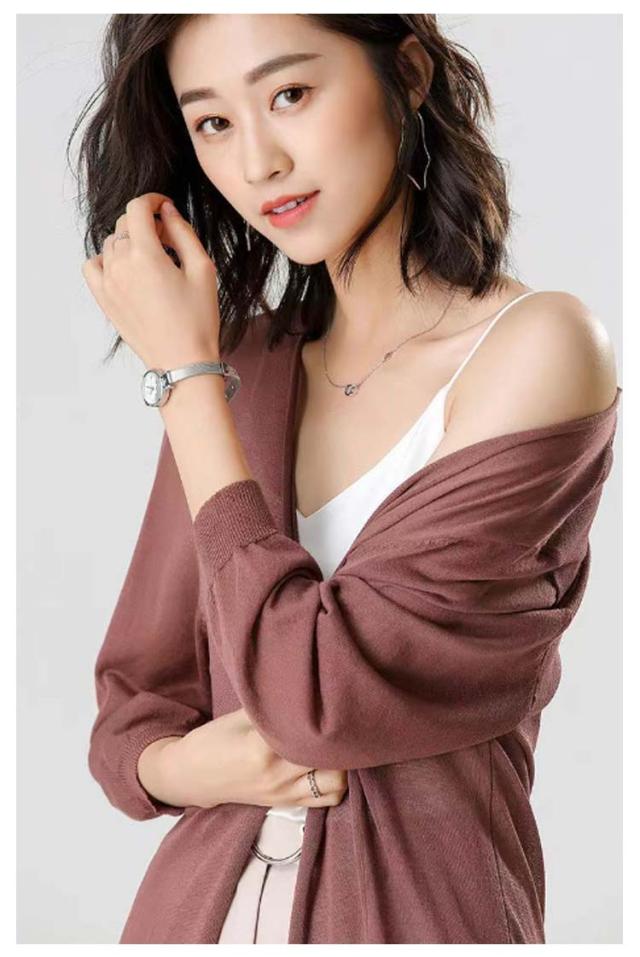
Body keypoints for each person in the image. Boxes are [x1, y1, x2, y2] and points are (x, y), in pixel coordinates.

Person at [74, 14, 619, 944]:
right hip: (189, 916)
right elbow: (135, 698)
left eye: (290, 94)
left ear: (408, 73)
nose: (259, 163)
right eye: (213, 123)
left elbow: (316, 696)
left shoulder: (536, 351)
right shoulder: (240, 366)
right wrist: (188, 768)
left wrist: (188, 381)